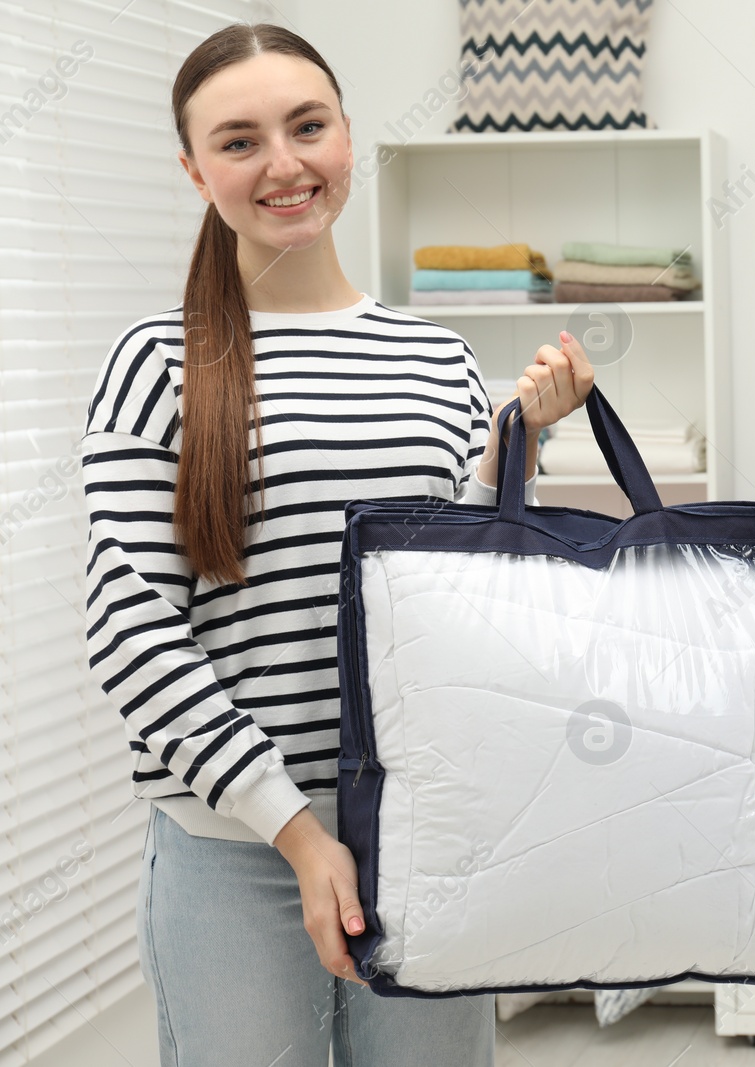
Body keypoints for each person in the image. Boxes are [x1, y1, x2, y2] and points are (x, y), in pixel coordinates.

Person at [80, 22, 591, 1066]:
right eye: (239, 141)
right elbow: (131, 628)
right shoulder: (158, 362)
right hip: (236, 853)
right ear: (194, 170)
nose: (284, 163)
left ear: (348, 136)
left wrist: (514, 449)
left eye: (307, 126)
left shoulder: (434, 359)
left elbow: (458, 599)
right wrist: (296, 829)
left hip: (424, 835)